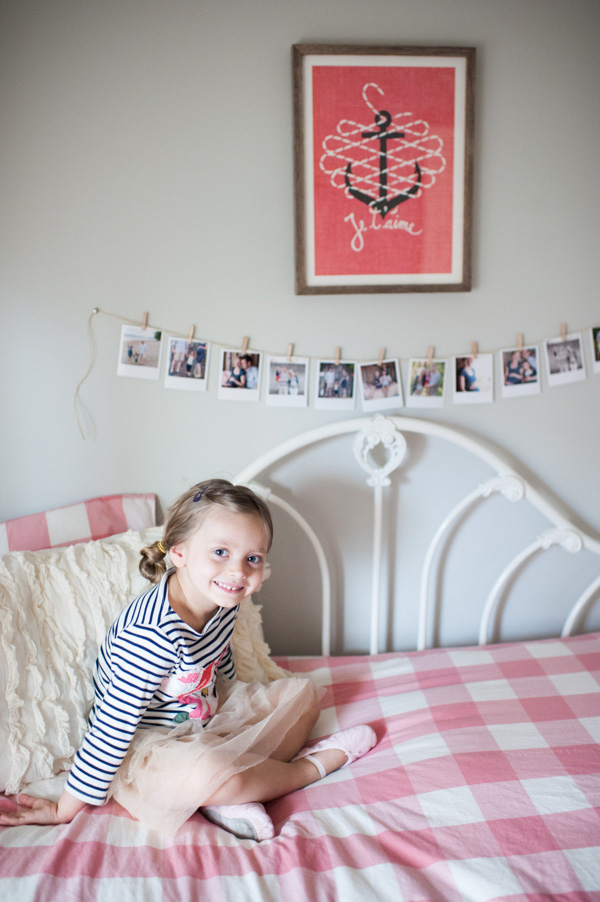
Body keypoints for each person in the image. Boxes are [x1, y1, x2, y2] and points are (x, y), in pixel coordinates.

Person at [0, 480, 377, 842]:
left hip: (205, 721)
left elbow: (219, 660)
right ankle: (302, 771)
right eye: (220, 553)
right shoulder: (152, 635)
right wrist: (64, 808)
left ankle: (230, 797)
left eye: (253, 558)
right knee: (211, 771)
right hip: (148, 748)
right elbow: (112, 728)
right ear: (179, 552)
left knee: (304, 696)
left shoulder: (223, 599)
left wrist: (241, 708)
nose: (238, 571)